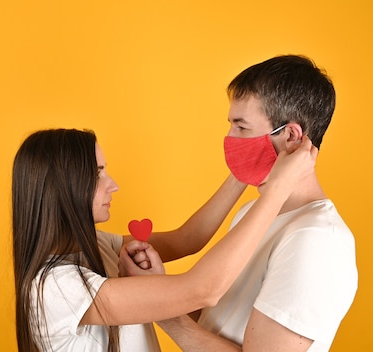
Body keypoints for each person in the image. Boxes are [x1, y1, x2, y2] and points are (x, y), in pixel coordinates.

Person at [12, 128, 317, 351]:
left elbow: (188, 239)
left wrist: (245, 169)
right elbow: (202, 291)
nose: (113, 185)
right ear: (63, 189)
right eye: (97, 175)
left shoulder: (97, 245)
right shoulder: (53, 289)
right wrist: (279, 187)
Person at [145, 55, 358, 352]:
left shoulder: (317, 239)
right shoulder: (253, 213)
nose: (230, 138)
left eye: (241, 128)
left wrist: (160, 309)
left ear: (291, 136)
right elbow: (216, 321)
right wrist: (159, 289)